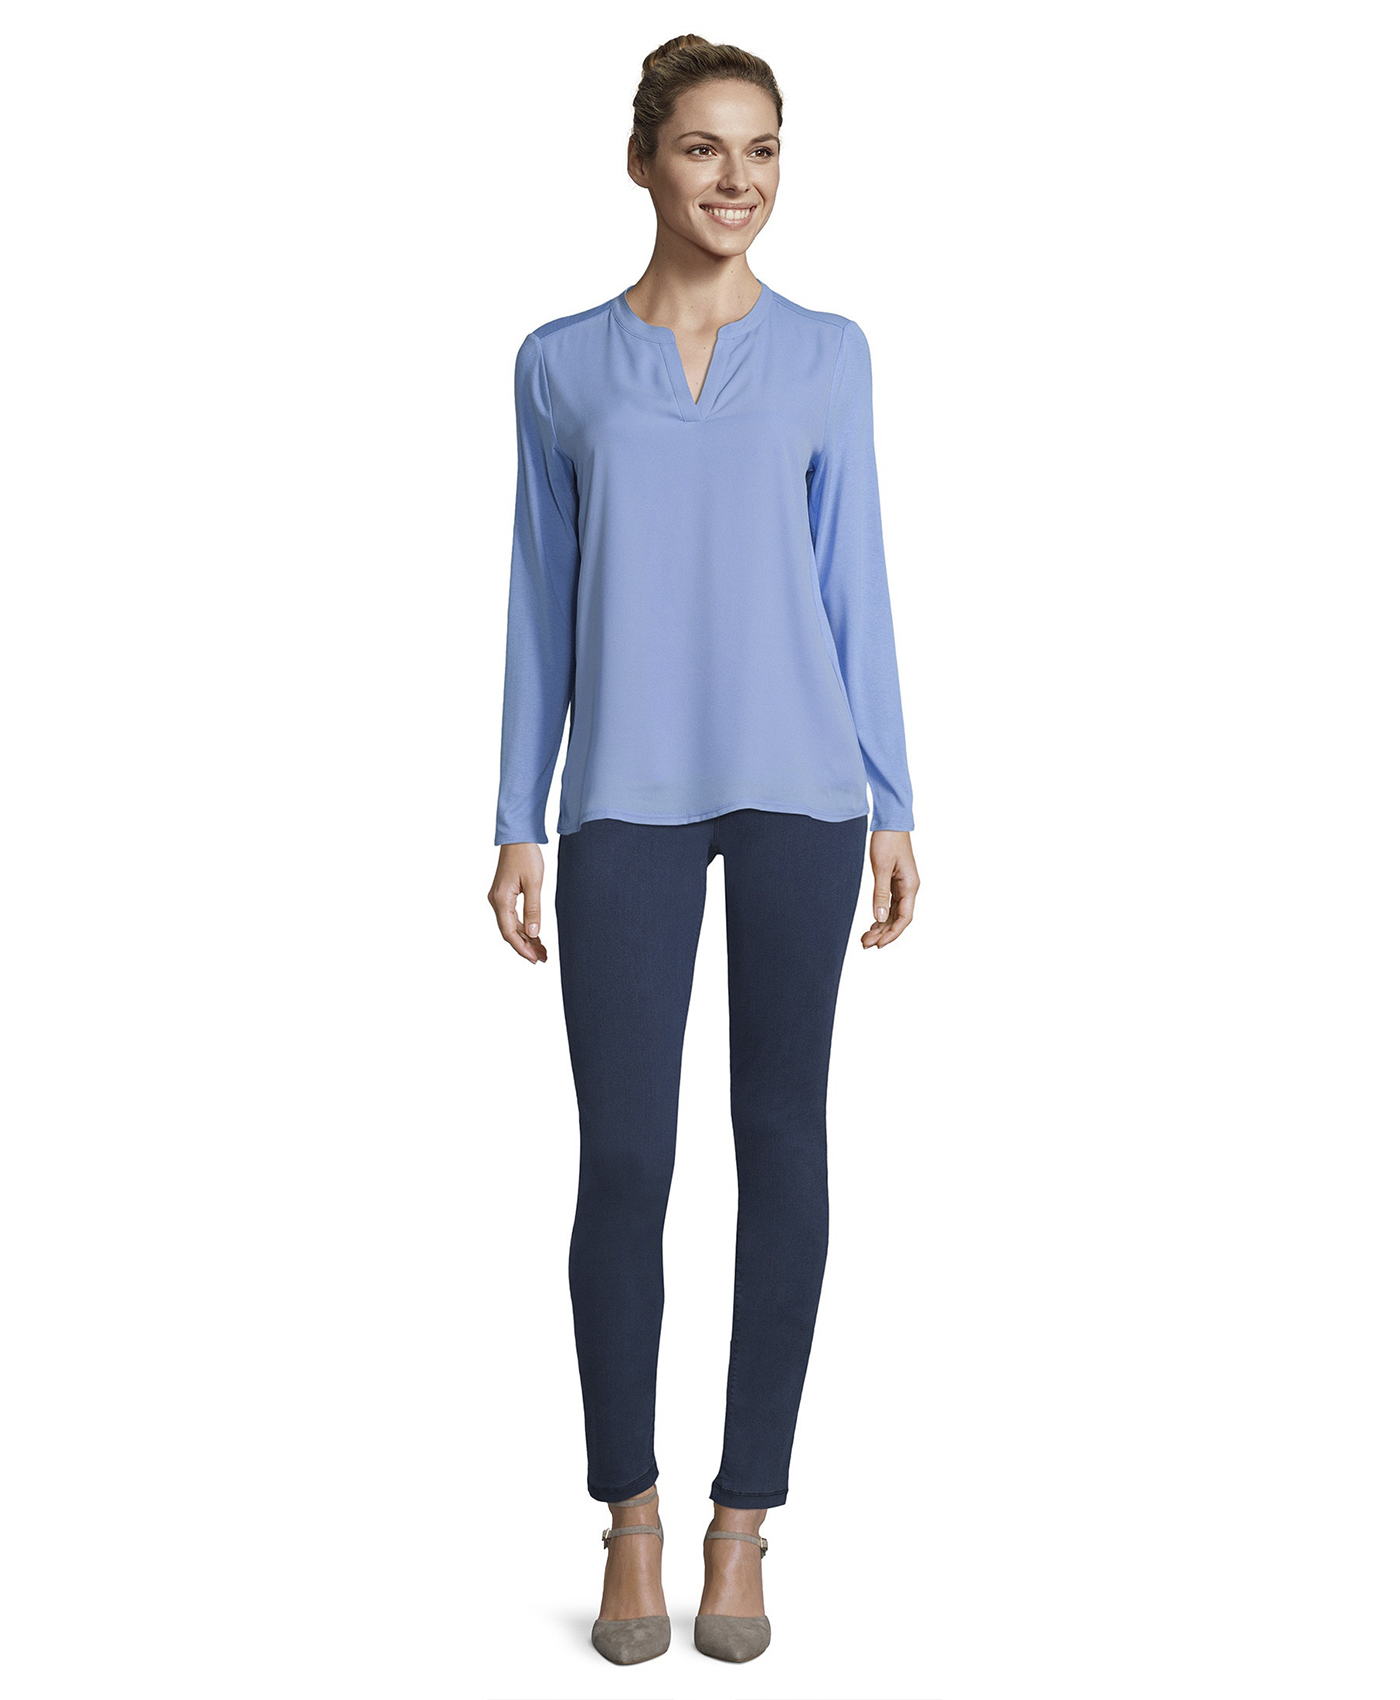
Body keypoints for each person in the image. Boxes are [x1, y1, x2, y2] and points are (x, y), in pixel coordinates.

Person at [487, 34, 920, 1667]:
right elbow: (538, 596)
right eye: (702, 148)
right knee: (625, 1161)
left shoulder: (828, 356)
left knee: (783, 1144)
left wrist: (892, 795)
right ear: (642, 162)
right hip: (624, 799)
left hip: (803, 790)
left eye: (762, 149)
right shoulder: (559, 366)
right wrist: (517, 812)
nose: (736, 180)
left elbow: (855, 572)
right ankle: (633, 1517)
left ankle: (745, 1521)